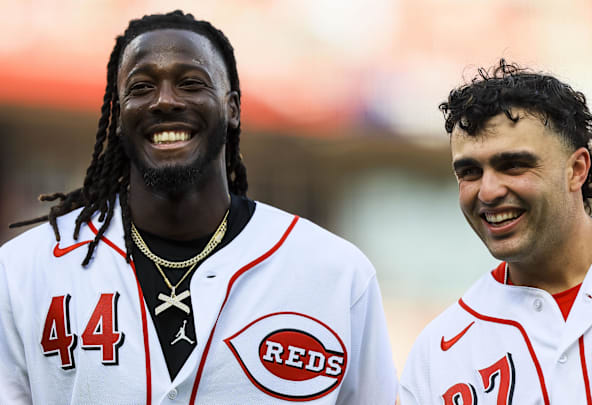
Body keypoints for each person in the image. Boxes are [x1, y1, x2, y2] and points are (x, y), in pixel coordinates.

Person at [0, 11, 397, 404]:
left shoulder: (338, 274)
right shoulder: (23, 271)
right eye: (141, 87)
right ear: (119, 116)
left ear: (233, 109)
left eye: (191, 83)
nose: (165, 101)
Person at [400, 60, 592, 404]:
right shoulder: (439, 353)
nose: (488, 191)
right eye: (470, 171)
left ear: (576, 170)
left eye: (513, 165)